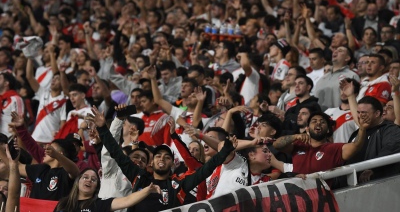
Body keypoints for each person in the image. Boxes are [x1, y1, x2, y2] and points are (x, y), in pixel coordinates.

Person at [88, 106, 237, 212]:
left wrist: (224, 151)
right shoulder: (139, 177)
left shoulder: (178, 185)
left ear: (172, 164)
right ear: (151, 162)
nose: (162, 159)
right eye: (158, 155)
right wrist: (102, 128)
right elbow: (117, 153)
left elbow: (204, 170)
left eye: (167, 157)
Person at [272, 111, 368, 178]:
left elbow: (356, 146)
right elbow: (277, 145)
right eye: (314, 121)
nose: (318, 123)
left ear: (328, 130)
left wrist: (362, 128)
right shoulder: (298, 144)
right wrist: (294, 137)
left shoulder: (334, 148)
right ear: (307, 129)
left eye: (322, 122)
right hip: (297, 197)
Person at [54, 168, 161, 212]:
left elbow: (127, 200)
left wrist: (147, 190)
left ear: (97, 187)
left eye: (94, 179)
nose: (89, 180)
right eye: (85, 177)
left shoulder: (100, 204)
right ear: (78, 181)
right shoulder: (63, 203)